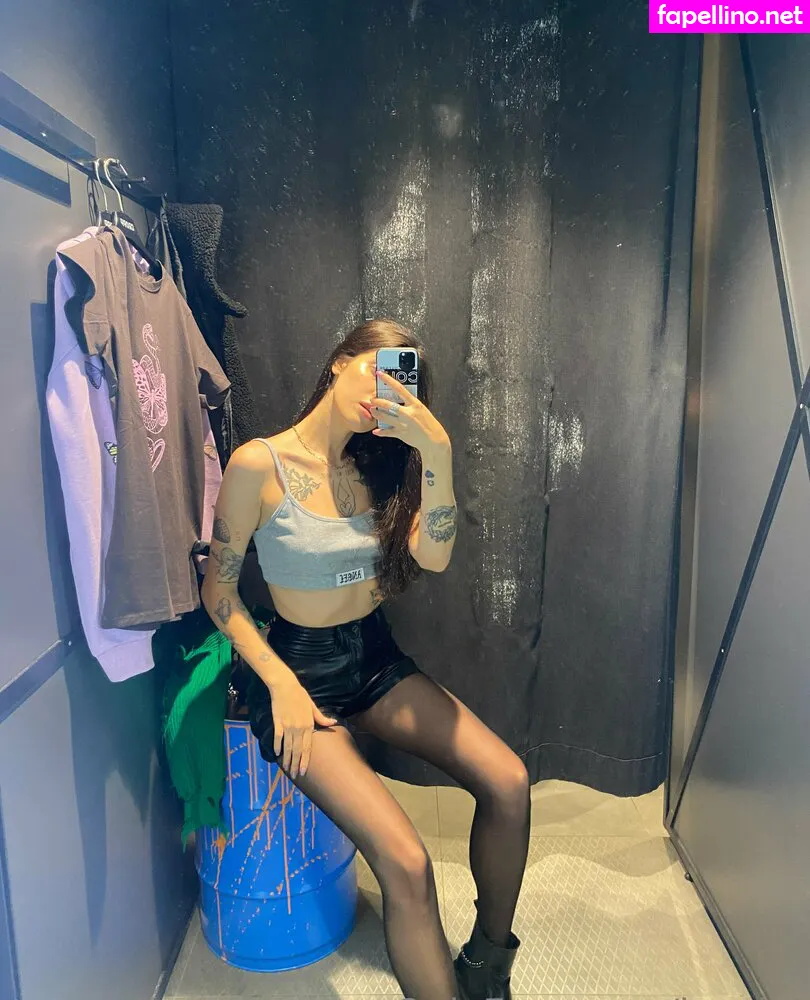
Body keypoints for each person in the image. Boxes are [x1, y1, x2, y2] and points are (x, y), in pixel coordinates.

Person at [201, 318, 530, 1000]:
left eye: (396, 383)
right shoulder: (260, 465)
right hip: (298, 669)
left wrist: (435, 450)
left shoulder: (383, 466)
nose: (380, 393)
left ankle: (486, 969)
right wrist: (279, 684)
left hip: (373, 659)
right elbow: (219, 593)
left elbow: (433, 556)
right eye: (373, 371)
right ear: (339, 362)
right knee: (407, 863)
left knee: (508, 781)